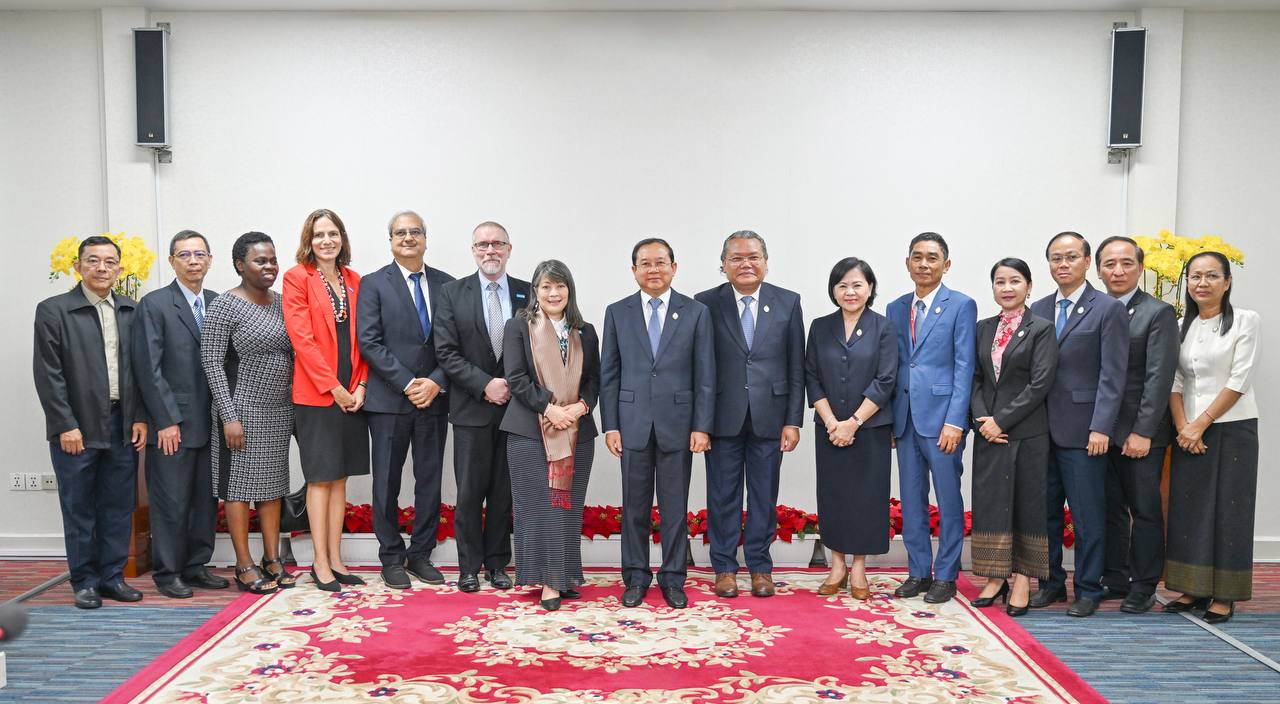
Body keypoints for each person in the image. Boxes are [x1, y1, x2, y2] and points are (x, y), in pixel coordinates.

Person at [34, 236, 148, 609]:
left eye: (110, 262)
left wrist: (140, 417)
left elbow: (141, 371)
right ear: (78, 266)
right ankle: (84, 581)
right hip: (77, 427)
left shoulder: (131, 310)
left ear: (120, 269)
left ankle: (112, 577)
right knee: (79, 506)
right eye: (93, 260)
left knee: (118, 505)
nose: (102, 268)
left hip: (122, 423)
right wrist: (65, 424)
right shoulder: (54, 311)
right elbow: (48, 374)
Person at [600, 237, 715, 610]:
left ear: (674, 268)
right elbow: (609, 373)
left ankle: (673, 577)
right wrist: (611, 425)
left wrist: (701, 425)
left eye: (661, 262)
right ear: (634, 270)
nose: (653, 270)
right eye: (645, 264)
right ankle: (635, 577)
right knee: (633, 507)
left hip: (678, 425)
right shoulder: (617, 312)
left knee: (674, 508)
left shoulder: (695, 312)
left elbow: (705, 375)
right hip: (631, 423)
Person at [695, 231, 804, 599]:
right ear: (723, 265)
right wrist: (700, 423)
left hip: (770, 417)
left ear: (766, 263)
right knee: (722, 496)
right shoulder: (705, 303)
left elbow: (796, 366)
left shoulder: (788, 302)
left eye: (753, 257)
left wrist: (793, 420)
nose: (746, 264)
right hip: (721, 418)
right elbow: (700, 367)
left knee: (763, 496)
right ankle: (724, 568)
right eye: (737, 258)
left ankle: (760, 567)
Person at [1028, 232, 1128, 618]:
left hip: (1086, 432)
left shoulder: (1107, 309)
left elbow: (1113, 375)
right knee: (1046, 515)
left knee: (1087, 517)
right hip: (1041, 431)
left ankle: (1088, 587)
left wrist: (1101, 427)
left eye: (1071, 257)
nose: (1063, 264)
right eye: (1056, 258)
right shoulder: (1038, 308)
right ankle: (1051, 583)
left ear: (1087, 262)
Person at [356, 211, 455, 589]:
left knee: (429, 480)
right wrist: (409, 383)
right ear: (391, 241)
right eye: (401, 233)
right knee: (386, 482)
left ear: (425, 239)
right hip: (389, 401)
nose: (408, 238)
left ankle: (421, 554)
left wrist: (435, 382)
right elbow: (369, 341)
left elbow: (455, 344)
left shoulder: (448, 285)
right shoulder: (373, 284)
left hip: (434, 399)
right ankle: (391, 557)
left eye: (415, 232)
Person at [1164, 251, 1259, 624]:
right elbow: (1174, 380)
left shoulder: (1246, 321)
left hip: (1232, 427)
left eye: (1211, 276)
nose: (1202, 283)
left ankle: (1225, 595)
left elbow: (1240, 378)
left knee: (1230, 510)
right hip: (1187, 429)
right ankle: (1193, 587)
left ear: (1227, 281)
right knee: (1189, 508)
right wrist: (1182, 426)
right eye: (1195, 276)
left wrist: (1200, 424)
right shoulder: (1180, 325)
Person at [434, 221, 530, 593]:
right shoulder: (451, 293)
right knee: (470, 493)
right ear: (473, 250)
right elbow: (446, 352)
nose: (490, 250)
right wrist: (485, 385)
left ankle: (497, 564)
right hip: (471, 409)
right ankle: (469, 567)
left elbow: (535, 349)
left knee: (504, 493)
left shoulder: (528, 292)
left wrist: (511, 386)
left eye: (497, 244)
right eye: (483, 244)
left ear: (509, 249)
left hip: (515, 410)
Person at [133, 230, 229, 599]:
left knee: (205, 500)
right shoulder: (155, 304)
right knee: (171, 501)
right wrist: (165, 420)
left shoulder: (217, 302)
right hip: (173, 424)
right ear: (172, 261)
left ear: (210, 260)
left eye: (199, 254)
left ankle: (196, 565)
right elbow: (148, 369)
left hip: (213, 422)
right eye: (184, 255)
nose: (193, 261)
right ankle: (168, 572)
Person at [501, 260, 600, 611]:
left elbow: (594, 379)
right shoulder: (519, 326)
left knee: (566, 508)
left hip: (577, 431)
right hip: (529, 432)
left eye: (560, 286)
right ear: (536, 291)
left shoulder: (585, 331)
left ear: (569, 289)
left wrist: (580, 407)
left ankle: (564, 575)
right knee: (539, 508)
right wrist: (549, 409)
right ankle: (547, 580)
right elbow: (515, 378)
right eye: (546, 287)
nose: (553, 293)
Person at [885, 232, 976, 604]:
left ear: (946, 264)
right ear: (907, 263)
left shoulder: (961, 305)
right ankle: (919, 571)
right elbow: (895, 365)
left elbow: (965, 366)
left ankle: (947, 574)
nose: (924, 264)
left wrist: (956, 421)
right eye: (917, 257)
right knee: (911, 499)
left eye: (932, 258)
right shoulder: (895, 307)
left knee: (948, 499)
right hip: (905, 418)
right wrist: (891, 420)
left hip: (943, 421)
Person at [201, 232, 295, 594]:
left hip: (278, 411)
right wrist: (229, 416)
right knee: (238, 490)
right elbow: (211, 362)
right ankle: (244, 565)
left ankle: (272, 559)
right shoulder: (225, 305)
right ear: (240, 265)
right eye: (260, 260)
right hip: (241, 411)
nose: (269, 266)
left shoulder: (282, 303)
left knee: (272, 488)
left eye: (273, 260)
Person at [283, 209, 370, 591]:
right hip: (318, 396)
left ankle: (336, 559)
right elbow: (302, 341)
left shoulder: (354, 280)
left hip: (352, 394)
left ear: (342, 238)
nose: (326, 240)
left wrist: (361, 386)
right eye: (319, 234)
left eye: (333, 233)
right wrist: (335, 389)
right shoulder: (297, 278)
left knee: (340, 478)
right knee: (320, 478)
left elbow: (365, 338)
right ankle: (319, 562)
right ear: (309, 240)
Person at [969, 258, 1057, 617]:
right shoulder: (982, 328)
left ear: (1029, 286)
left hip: (1027, 432)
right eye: (1000, 281)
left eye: (1015, 281)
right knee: (991, 503)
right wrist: (982, 420)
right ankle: (996, 576)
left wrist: (1001, 420)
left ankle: (1022, 578)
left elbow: (1040, 383)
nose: (1007, 288)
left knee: (1026, 505)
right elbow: (975, 378)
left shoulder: (1042, 328)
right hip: (988, 432)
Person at [1095, 236, 1179, 614]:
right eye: (1110, 264)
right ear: (1098, 269)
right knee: (1108, 508)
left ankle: (1143, 585)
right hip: (1100, 431)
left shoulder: (1157, 313)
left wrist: (1143, 431)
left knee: (1144, 510)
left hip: (1139, 432)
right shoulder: (1094, 310)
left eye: (1126, 263)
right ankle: (1115, 576)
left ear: (1140, 268)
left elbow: (1159, 378)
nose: (1118, 271)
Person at [805, 257, 896, 600]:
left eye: (857, 284)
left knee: (866, 498)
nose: (850, 292)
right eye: (842, 285)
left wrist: (853, 422)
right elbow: (811, 376)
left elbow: (885, 379)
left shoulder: (883, 327)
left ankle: (859, 567)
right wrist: (832, 422)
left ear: (870, 288)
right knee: (834, 496)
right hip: (829, 429)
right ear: (833, 290)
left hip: (870, 429)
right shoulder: (820, 327)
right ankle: (837, 565)